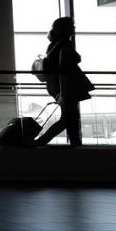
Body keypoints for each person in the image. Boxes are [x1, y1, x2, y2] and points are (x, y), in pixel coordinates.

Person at [35, 16, 93, 146]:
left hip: (56, 85)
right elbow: (64, 70)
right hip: (66, 87)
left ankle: (75, 144)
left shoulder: (53, 45)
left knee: (70, 117)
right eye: (71, 26)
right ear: (65, 29)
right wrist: (64, 92)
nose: (74, 28)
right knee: (68, 118)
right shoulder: (65, 44)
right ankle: (42, 141)